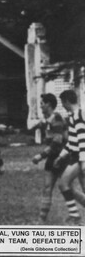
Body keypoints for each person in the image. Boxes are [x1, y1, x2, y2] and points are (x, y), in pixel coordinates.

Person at [28, 93, 68, 223]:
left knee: (67, 188)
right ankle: (41, 220)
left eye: (42, 104)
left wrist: (40, 156)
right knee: (47, 187)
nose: (40, 106)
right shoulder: (49, 120)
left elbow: (57, 142)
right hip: (53, 158)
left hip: (62, 158)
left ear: (48, 105)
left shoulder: (56, 119)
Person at [54, 90, 85, 225]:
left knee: (63, 184)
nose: (63, 105)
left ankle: (75, 217)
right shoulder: (73, 116)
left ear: (66, 101)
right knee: (65, 184)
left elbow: (83, 140)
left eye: (62, 102)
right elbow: (73, 142)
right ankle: (75, 216)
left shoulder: (78, 115)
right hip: (76, 156)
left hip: (80, 157)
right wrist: (61, 157)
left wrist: (83, 161)